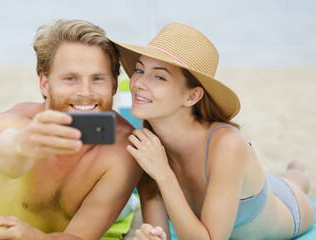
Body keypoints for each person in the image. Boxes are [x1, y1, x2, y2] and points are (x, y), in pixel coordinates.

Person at [108, 23, 315, 239]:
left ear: (192, 96)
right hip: (237, 183)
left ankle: (297, 172)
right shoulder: (148, 148)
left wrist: (164, 173)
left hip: (288, 207)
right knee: (276, 178)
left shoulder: (227, 144)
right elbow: (159, 232)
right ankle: (293, 171)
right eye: (140, 70)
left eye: (159, 76)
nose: (139, 82)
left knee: (295, 181)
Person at [0, 19, 142, 240]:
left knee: (128, 206)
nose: (85, 92)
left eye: (97, 78)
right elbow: (0, 152)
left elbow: (80, 236)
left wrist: (33, 237)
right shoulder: (12, 123)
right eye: (71, 78)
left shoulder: (124, 149)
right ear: (45, 84)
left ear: (114, 85)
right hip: (2, 198)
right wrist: (22, 145)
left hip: (104, 199)